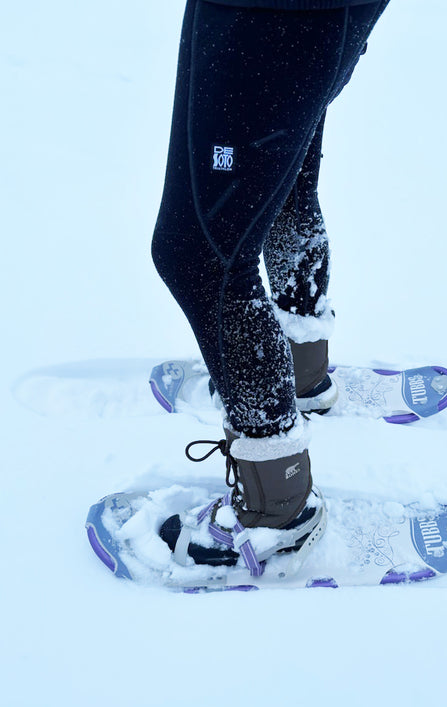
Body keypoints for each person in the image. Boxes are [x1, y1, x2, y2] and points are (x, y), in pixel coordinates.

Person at [152, 0, 390, 576]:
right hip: (285, 13)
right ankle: (297, 372)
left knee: (200, 255)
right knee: (279, 189)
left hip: (275, 12)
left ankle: (275, 508)